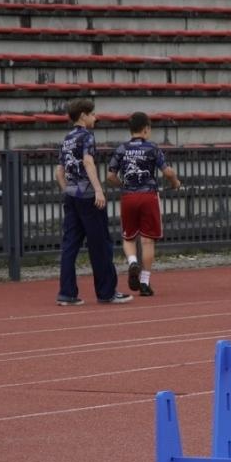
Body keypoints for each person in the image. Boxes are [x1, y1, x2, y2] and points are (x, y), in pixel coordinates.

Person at [55, 98, 131, 306]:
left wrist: (67, 191)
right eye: (92, 114)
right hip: (87, 195)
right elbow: (88, 162)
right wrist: (98, 190)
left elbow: (59, 171)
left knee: (70, 245)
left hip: (72, 195)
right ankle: (106, 292)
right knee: (100, 244)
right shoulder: (87, 136)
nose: (95, 117)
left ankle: (66, 293)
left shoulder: (67, 138)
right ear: (83, 116)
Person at [106, 111, 180, 298]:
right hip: (148, 196)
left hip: (129, 197)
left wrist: (123, 185)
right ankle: (145, 282)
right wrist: (175, 183)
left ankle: (132, 261)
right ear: (146, 129)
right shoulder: (152, 148)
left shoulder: (121, 149)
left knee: (129, 237)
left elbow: (110, 176)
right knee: (148, 240)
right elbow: (167, 172)